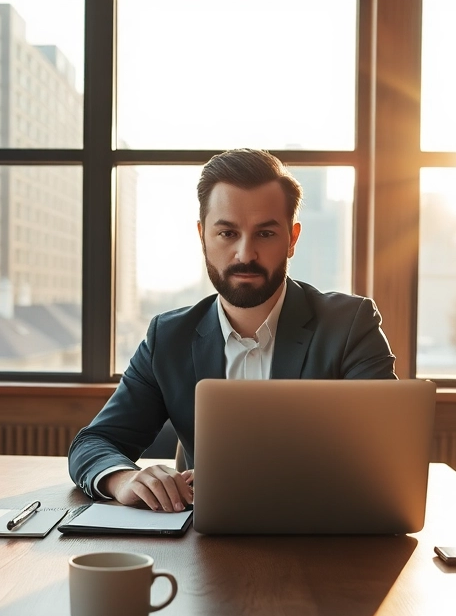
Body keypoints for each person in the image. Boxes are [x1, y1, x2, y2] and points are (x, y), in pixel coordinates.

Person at [68, 148, 396, 512]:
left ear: (292, 239)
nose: (245, 254)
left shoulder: (351, 326)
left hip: (320, 541)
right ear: (202, 236)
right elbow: (94, 442)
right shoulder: (168, 337)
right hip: (201, 548)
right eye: (227, 232)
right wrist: (122, 478)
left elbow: (385, 453)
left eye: (266, 233)